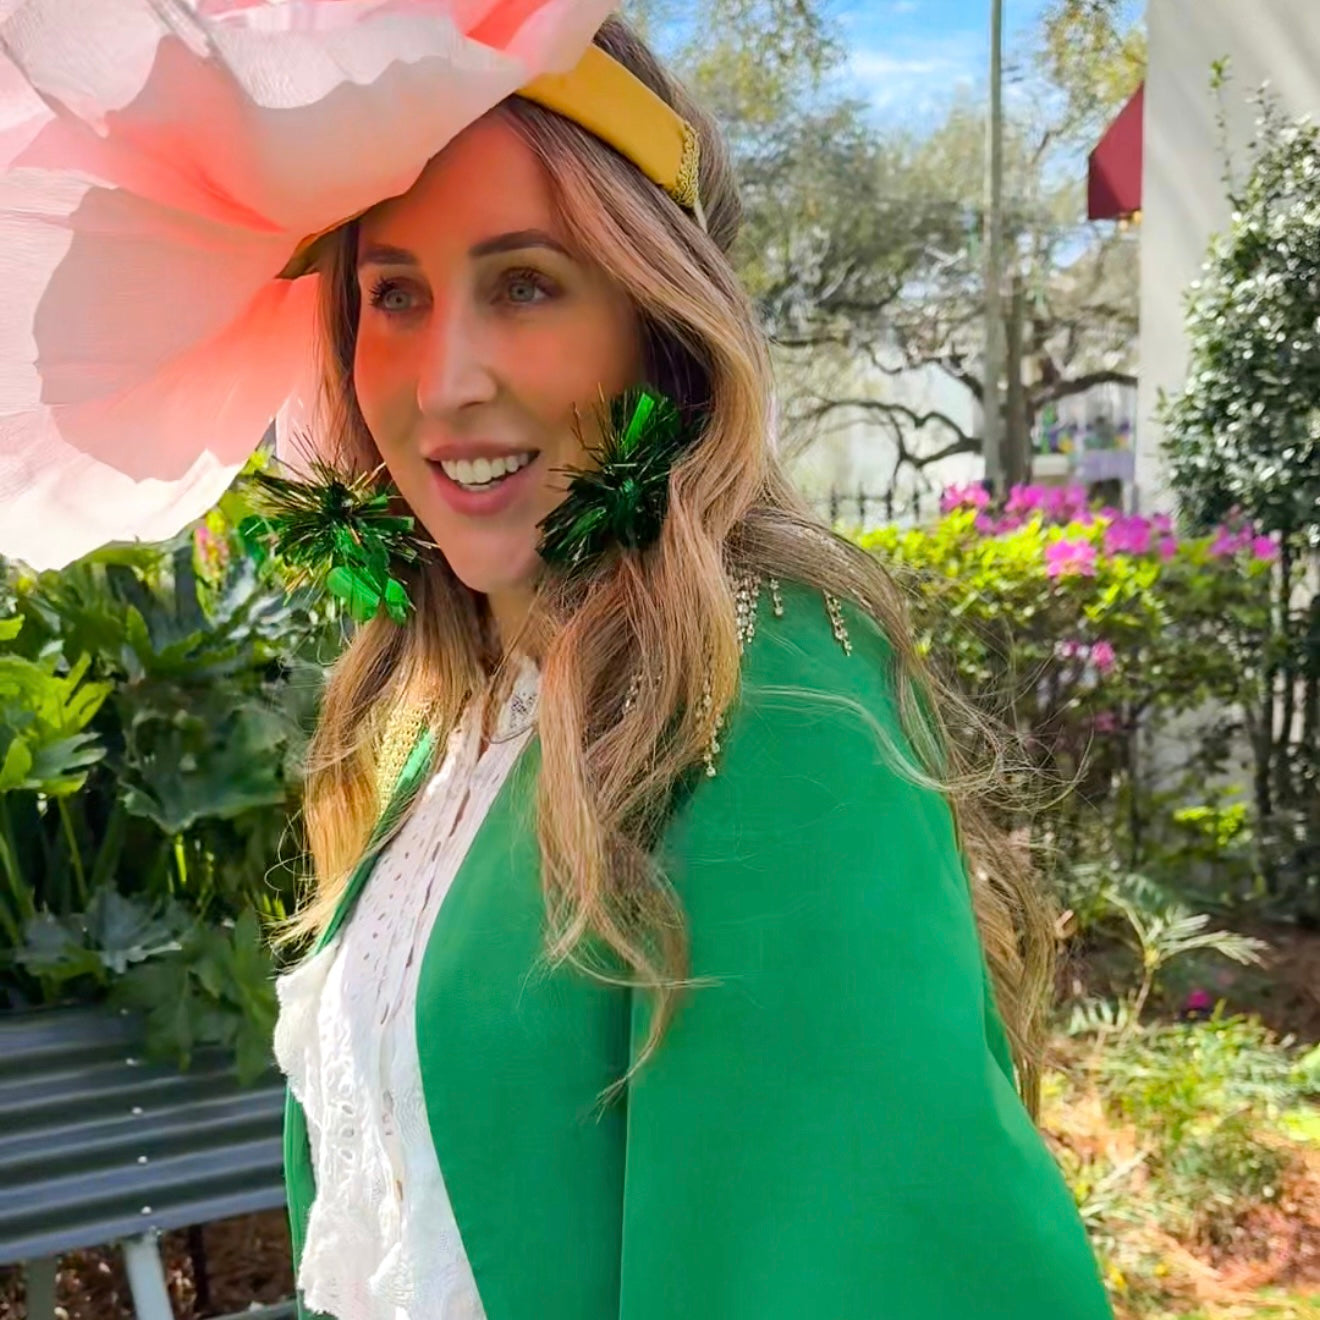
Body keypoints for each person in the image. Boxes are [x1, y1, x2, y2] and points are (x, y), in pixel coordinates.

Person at [0, 3, 1113, 1317]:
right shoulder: (450, 716)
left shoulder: (769, 690)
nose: (446, 379)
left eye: (525, 283)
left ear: (656, 316)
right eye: (394, 295)